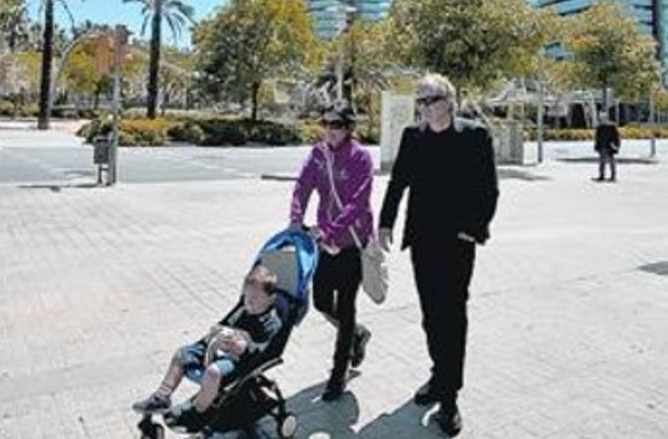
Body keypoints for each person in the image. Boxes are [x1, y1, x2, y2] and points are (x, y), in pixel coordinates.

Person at [378, 73, 499, 437]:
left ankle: (449, 397)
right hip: (423, 240)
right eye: (421, 101)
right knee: (431, 315)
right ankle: (439, 373)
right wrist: (385, 224)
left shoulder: (475, 135)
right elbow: (398, 183)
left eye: (430, 99)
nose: (424, 107)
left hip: (457, 242)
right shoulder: (413, 137)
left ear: (449, 99)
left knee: (452, 314)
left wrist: (474, 229)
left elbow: (488, 189)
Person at [131, 264, 285, 431]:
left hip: (241, 361)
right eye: (246, 297)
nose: (248, 302)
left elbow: (261, 349)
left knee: (212, 372)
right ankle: (162, 395)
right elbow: (225, 324)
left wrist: (243, 347)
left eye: (255, 298)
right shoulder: (243, 310)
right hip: (220, 348)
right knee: (182, 354)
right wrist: (216, 333)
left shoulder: (270, 322)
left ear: (270, 299)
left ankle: (199, 412)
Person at [288, 105, 375, 401]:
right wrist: (296, 218)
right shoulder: (318, 154)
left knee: (347, 305)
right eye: (325, 123)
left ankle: (339, 374)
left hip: (351, 241)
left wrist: (331, 230)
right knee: (323, 301)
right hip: (324, 243)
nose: (329, 129)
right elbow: (302, 186)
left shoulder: (360, 157)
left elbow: (358, 201)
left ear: (348, 127)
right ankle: (357, 334)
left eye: (336, 124)